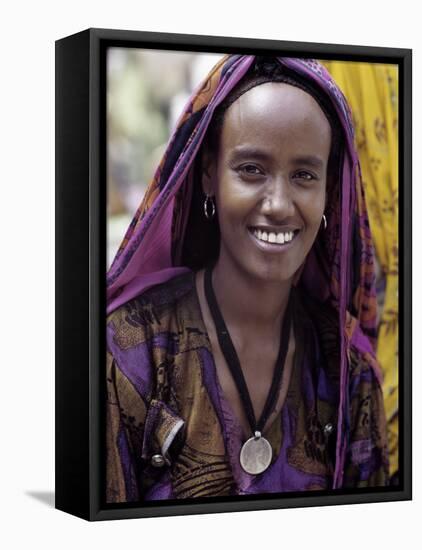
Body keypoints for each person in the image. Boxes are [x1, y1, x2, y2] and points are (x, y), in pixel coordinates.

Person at [105, 55, 390, 503]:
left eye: (304, 175)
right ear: (207, 176)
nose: (278, 204)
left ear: (328, 193)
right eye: (251, 169)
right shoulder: (130, 355)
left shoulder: (348, 374)